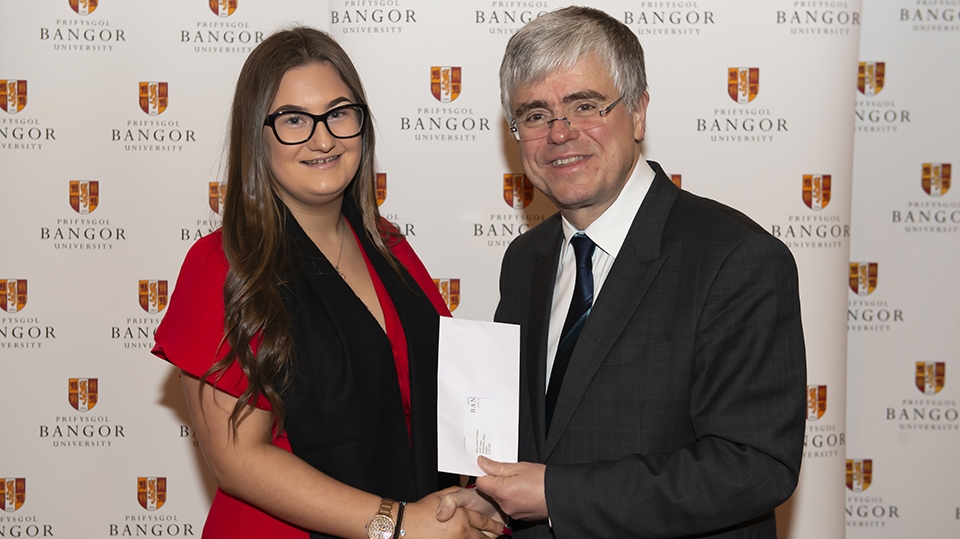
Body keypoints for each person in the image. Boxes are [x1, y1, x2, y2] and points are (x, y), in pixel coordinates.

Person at [439, 6, 806, 538]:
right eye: (536, 114)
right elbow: (542, 443)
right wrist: (497, 501)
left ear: (637, 112)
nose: (560, 134)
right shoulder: (525, 260)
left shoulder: (737, 259)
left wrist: (555, 496)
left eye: (584, 106)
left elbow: (755, 465)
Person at [152, 27, 503, 539]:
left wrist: (479, 496)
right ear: (257, 135)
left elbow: (440, 401)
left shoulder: (389, 248)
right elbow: (239, 460)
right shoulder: (225, 266)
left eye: (339, 113)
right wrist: (400, 525)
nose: (323, 138)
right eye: (294, 119)